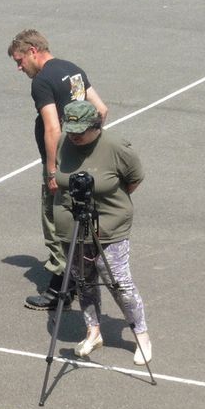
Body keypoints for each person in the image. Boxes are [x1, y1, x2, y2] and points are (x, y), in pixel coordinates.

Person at [8, 29, 109, 310]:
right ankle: (76, 277)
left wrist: (52, 171)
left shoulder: (42, 81)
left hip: (62, 163)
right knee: (83, 216)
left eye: (19, 60)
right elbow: (101, 109)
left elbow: (52, 127)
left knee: (56, 223)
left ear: (32, 51)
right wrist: (88, 147)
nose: (19, 68)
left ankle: (58, 290)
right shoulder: (72, 69)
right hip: (84, 160)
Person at [53, 101, 151, 365]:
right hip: (71, 225)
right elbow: (59, 177)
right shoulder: (64, 142)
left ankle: (141, 335)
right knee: (83, 281)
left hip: (109, 225)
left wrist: (105, 203)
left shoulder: (116, 147)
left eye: (81, 130)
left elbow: (134, 179)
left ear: (97, 127)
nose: (74, 135)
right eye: (70, 128)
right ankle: (93, 331)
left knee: (118, 282)